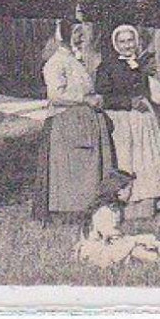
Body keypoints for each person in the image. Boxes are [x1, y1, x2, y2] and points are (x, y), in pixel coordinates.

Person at [33, 21, 115, 225]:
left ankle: (83, 209)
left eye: (82, 34)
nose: (79, 38)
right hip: (66, 121)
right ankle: (67, 212)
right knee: (69, 168)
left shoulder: (75, 60)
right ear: (63, 35)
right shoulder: (56, 62)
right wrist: (85, 98)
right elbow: (55, 94)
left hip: (81, 119)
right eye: (75, 33)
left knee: (82, 167)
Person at [97, 24, 160, 219]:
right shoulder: (107, 66)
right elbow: (103, 98)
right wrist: (128, 102)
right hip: (121, 119)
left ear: (136, 42)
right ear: (115, 44)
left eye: (130, 41)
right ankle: (125, 204)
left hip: (143, 118)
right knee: (126, 158)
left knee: (146, 158)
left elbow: (147, 88)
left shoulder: (141, 64)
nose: (127, 45)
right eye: (122, 42)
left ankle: (147, 202)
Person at [75, 169, 160, 268]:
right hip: (95, 253)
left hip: (106, 246)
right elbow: (112, 236)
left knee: (137, 245)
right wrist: (136, 240)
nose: (131, 193)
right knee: (136, 248)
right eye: (129, 189)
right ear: (119, 191)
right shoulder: (104, 211)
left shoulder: (114, 209)